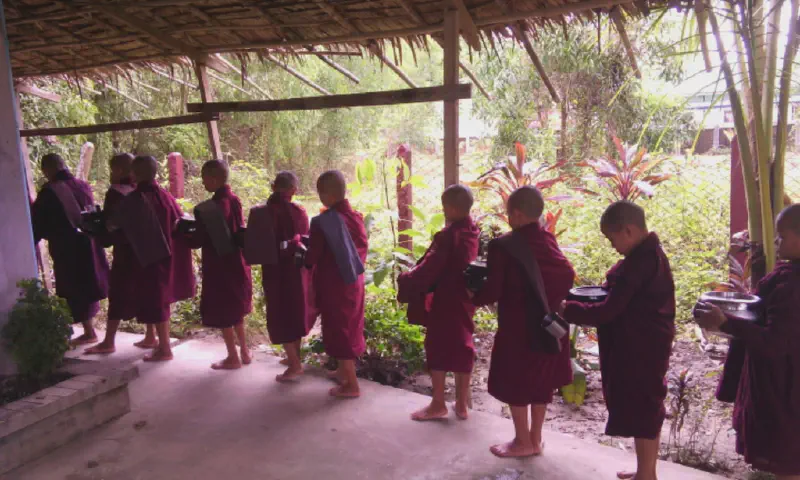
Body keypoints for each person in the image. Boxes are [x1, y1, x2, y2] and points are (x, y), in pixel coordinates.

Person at [562, 200, 675, 480]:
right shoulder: (646, 255)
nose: (613, 246)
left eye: (613, 239)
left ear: (629, 230)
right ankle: (644, 471)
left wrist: (569, 309)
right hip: (640, 343)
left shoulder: (642, 261)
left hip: (643, 347)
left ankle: (647, 475)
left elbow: (610, 310)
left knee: (645, 408)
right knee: (642, 408)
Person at [695, 203, 800, 480]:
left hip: (786, 388)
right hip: (784, 385)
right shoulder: (787, 275)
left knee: (787, 462)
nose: (776, 242)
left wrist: (726, 323)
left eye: (782, 236)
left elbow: (775, 342)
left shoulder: (793, 289)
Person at [471, 186, 574, 457]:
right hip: (547, 325)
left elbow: (492, 290)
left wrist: (472, 295)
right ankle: (535, 439)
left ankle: (522, 441)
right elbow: (566, 274)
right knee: (540, 383)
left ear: (516, 214)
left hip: (518, 328)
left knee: (516, 382)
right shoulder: (548, 239)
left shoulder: (504, 246)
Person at [397, 185, 479, 421]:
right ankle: (462, 405)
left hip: (445, 300)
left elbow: (430, 268)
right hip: (464, 299)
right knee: (464, 345)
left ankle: (438, 404)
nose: (444, 212)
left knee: (437, 347)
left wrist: (406, 280)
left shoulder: (449, 235)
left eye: (445, 208)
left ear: (452, 208)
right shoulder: (472, 231)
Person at [112, 155, 195, 362]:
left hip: (148, 259)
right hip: (167, 256)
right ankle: (155, 341)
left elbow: (116, 227)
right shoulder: (165, 196)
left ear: (134, 174)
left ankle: (165, 349)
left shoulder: (133, 200)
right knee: (160, 300)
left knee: (157, 301)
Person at [31, 153, 109, 346]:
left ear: (48, 170)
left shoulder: (50, 192)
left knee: (75, 288)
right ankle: (89, 330)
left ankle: (89, 332)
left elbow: (37, 222)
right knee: (88, 284)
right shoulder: (82, 185)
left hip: (68, 248)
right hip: (89, 243)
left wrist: (29, 240)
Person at [85, 153, 157, 354]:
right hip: (145, 252)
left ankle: (109, 341)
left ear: (119, 170)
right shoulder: (142, 190)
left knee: (117, 294)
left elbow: (112, 226)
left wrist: (97, 228)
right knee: (146, 291)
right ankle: (151, 335)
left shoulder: (116, 193)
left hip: (125, 253)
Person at [305, 170, 368, 398]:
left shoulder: (323, 222)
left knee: (340, 329)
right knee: (349, 326)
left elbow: (313, 256)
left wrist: (302, 251)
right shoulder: (356, 217)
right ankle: (343, 371)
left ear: (327, 195)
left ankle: (351, 385)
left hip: (335, 285)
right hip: (354, 281)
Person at [184, 160, 252, 369]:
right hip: (237, 262)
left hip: (219, 266)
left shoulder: (209, 208)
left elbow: (199, 240)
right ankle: (245, 352)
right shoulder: (234, 200)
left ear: (213, 179)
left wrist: (184, 234)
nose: (202, 182)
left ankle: (232, 357)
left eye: (204, 178)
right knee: (236, 310)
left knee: (224, 311)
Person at [257, 171, 315, 382]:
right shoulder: (300, 212)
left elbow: (257, 243)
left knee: (280, 313)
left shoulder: (262, 212)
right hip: (298, 270)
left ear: (273, 187)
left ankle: (294, 365)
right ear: (294, 191)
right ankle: (294, 357)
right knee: (295, 310)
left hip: (275, 271)